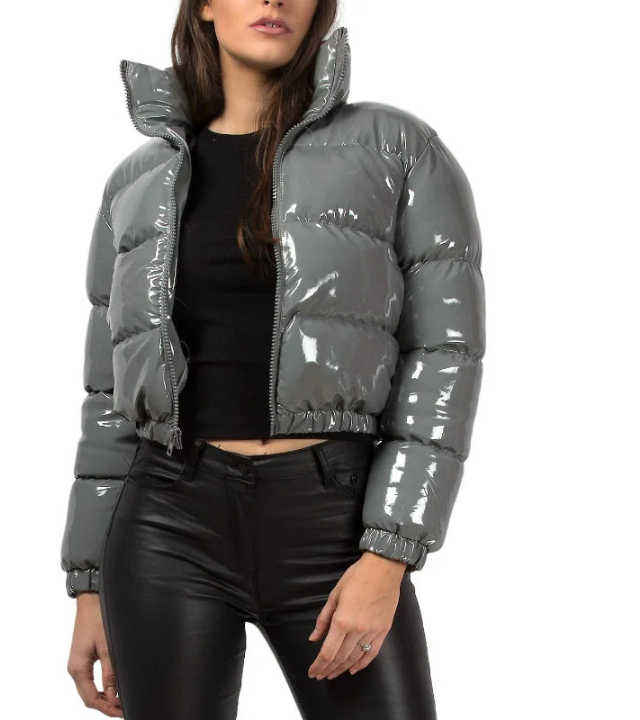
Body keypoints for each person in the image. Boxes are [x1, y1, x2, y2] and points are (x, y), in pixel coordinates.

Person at [61, 2, 485, 718]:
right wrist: (91, 583)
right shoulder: (137, 182)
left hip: (333, 523)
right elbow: (109, 397)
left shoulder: (396, 148)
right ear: (204, 6)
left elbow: (444, 356)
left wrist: (390, 553)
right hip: (165, 523)